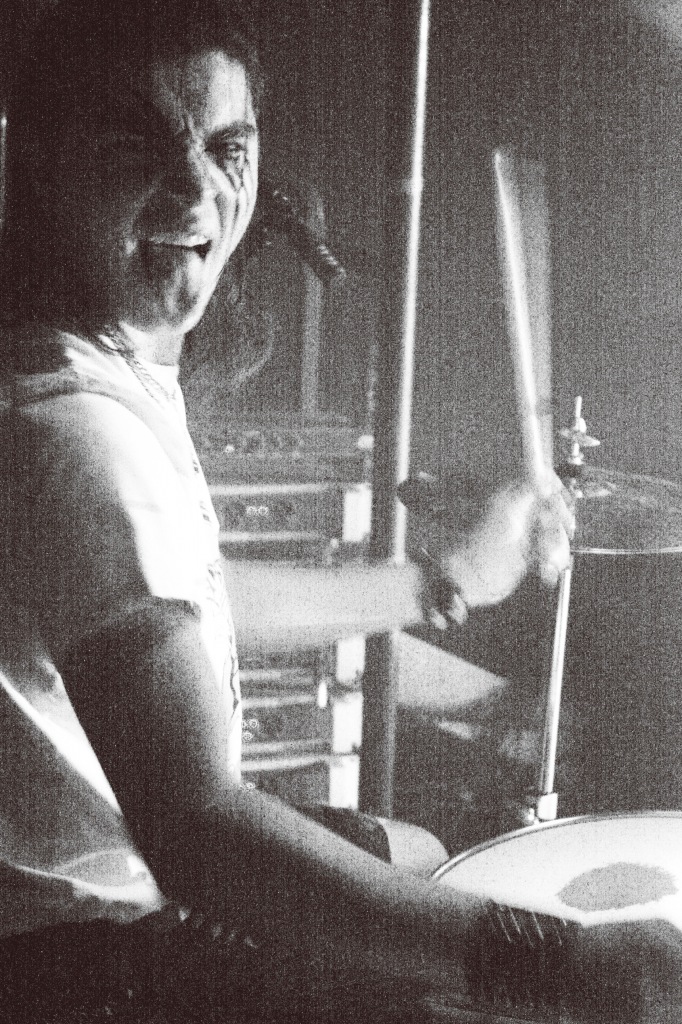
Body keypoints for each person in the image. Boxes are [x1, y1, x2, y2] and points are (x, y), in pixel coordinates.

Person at [0, 1, 678, 1022]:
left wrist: (442, 580)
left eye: (227, 146)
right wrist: (553, 964)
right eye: (135, 145)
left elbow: (187, 603)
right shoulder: (72, 429)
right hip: (81, 951)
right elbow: (198, 832)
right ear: (43, 167)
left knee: (418, 849)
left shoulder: (87, 363)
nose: (197, 186)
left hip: (103, 875)